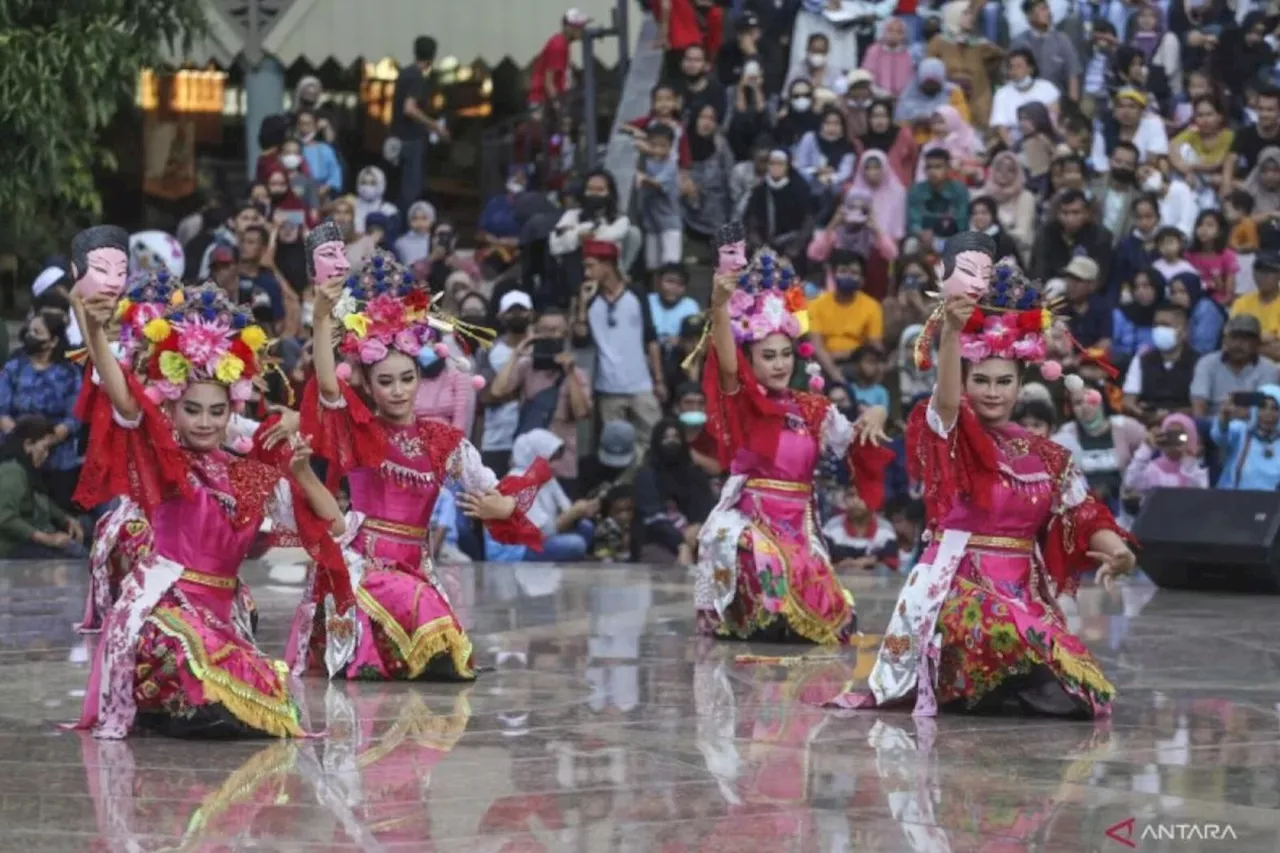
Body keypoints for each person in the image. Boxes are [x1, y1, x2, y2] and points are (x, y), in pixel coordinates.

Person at [828, 234, 1136, 719]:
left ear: (1021, 383)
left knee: (1085, 693)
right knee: (994, 628)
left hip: (1022, 591)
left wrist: (1117, 550)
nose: (993, 393)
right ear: (967, 382)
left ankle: (1007, 683)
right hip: (957, 584)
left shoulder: (1049, 455)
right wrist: (951, 334)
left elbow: (1082, 511)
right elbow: (947, 401)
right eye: (982, 381)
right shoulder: (951, 433)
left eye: (1004, 381)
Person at [69, 276, 348, 739]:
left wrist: (300, 472)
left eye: (216, 411)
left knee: (266, 703)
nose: (205, 422)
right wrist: (97, 333)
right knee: (193, 667)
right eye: (193, 410)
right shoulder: (164, 461)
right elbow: (125, 402)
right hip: (165, 607)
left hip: (222, 616)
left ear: (230, 412)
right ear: (173, 411)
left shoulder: (248, 471)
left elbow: (334, 525)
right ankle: (162, 701)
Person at [293, 248, 550, 681]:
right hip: (364, 565)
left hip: (417, 566)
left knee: (444, 648)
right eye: (386, 382)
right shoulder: (360, 429)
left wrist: (501, 508)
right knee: (424, 623)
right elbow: (327, 386)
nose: (397, 391)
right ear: (369, 387)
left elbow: (491, 486)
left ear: (420, 378)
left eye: (406, 379)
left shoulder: (441, 440)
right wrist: (321, 319)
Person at [694, 225, 891, 644]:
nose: (779, 364)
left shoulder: (813, 408)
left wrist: (876, 411)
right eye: (768, 356)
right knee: (761, 559)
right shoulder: (744, 401)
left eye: (786, 354)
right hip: (752, 518)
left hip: (799, 526)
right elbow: (726, 365)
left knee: (832, 611)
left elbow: (855, 439)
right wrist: (719, 304)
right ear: (750, 358)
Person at [0, 313, 82, 512]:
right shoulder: (14, 368)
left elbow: (74, 418)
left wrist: (44, 444)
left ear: (53, 341)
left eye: (37, 332)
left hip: (58, 453)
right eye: (29, 330)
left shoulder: (69, 373)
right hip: (15, 448)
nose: (30, 335)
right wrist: (24, 446)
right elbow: (2, 412)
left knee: (59, 510)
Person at [0, 416, 85, 559]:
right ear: (28, 445)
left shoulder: (27, 470)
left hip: (28, 542)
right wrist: (47, 539)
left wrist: (65, 518)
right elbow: (5, 517)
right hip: (13, 548)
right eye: (44, 448)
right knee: (75, 554)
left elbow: (39, 499)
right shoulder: (12, 471)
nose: (46, 455)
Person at [635, 418, 713, 564]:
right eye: (666, 437)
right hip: (658, 541)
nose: (671, 442)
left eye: (676, 437)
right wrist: (681, 542)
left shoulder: (695, 473)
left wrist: (697, 527)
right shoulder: (646, 474)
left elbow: (707, 506)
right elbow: (652, 516)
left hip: (697, 539)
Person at [510, 429, 594, 562]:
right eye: (550, 460)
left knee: (585, 527)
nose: (554, 465)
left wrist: (583, 510)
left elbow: (566, 508)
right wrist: (573, 513)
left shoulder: (547, 478)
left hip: (549, 534)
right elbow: (542, 532)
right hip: (524, 547)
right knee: (575, 544)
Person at [392, 36, 449, 211]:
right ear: (433, 56)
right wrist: (436, 126)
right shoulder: (417, 77)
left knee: (399, 188)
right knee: (411, 191)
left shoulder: (405, 73)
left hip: (398, 138)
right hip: (412, 139)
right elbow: (410, 108)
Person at [1212, 384, 1280, 491]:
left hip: (1274, 505)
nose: (1268, 413)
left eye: (1275, 409)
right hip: (1235, 502)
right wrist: (1224, 416)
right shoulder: (1242, 431)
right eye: (1262, 407)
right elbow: (1219, 437)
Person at [529, 9, 589, 107]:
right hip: (543, 102)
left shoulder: (563, 43)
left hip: (548, 100)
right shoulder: (558, 46)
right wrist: (558, 104)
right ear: (570, 28)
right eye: (580, 27)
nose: (582, 31)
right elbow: (549, 81)